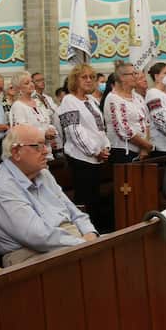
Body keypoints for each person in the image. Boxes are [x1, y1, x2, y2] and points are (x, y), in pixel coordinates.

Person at [0, 125, 98, 266]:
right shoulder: (2, 187)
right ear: (16, 152)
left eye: (45, 145)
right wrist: (83, 244)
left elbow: (75, 212)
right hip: (32, 258)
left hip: (70, 244)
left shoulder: (43, 173)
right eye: (38, 146)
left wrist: (90, 234)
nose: (46, 151)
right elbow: (37, 236)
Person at [57, 64, 112, 230]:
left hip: (97, 159)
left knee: (97, 201)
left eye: (92, 77)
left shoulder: (91, 100)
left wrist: (106, 146)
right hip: (81, 159)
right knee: (87, 202)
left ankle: (98, 232)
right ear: (75, 80)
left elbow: (100, 128)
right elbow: (74, 131)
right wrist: (95, 151)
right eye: (84, 77)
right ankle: (88, 233)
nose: (89, 80)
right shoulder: (69, 101)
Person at [104, 63, 154, 163]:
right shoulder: (113, 99)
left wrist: (145, 148)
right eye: (133, 74)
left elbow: (147, 122)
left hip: (143, 150)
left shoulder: (137, 97)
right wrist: (147, 145)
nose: (137, 77)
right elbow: (124, 130)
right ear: (122, 77)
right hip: (123, 152)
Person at [10, 72, 59, 157]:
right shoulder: (18, 106)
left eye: (31, 82)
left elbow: (47, 122)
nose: (31, 85)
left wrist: (52, 130)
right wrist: (44, 134)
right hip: (30, 153)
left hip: (46, 151)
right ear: (19, 88)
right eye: (27, 83)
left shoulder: (38, 102)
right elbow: (22, 132)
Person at [145, 62, 166, 154]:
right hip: (162, 147)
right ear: (156, 76)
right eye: (165, 73)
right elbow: (160, 121)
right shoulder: (153, 94)